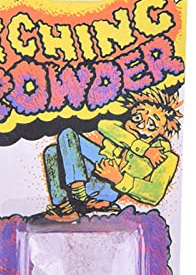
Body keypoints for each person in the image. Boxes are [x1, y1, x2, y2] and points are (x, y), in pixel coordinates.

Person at [40, 87, 181, 223]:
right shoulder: (121, 132)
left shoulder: (168, 157)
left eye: (151, 124)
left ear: (163, 130)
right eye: (137, 118)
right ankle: (68, 204)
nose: (140, 126)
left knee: (61, 144)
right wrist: (143, 149)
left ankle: (78, 200)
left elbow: (154, 195)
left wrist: (119, 179)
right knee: (57, 146)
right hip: (95, 169)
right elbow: (103, 125)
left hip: (108, 188)